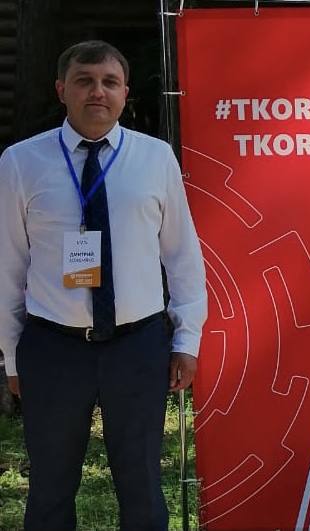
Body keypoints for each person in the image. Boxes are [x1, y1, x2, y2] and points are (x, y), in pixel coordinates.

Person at [0, 40, 207, 530]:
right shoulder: (20, 162)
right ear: (61, 90)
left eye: (109, 82)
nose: (98, 92)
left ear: (124, 92)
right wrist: (11, 354)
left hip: (137, 347)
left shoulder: (155, 158)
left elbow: (182, 255)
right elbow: (8, 265)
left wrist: (186, 339)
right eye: (84, 81)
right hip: (53, 349)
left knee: (142, 487)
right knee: (50, 489)